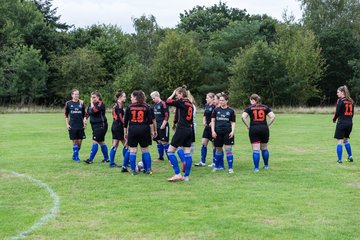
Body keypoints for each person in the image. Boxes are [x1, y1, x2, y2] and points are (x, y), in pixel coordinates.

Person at [123, 90, 156, 174]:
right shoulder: (147, 107)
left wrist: (125, 133)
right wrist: (152, 131)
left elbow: (125, 122)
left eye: (131, 97)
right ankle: (148, 169)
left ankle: (133, 170)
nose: (130, 98)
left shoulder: (129, 107)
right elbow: (150, 122)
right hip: (144, 129)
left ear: (136, 97)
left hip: (133, 130)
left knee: (133, 150)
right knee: (145, 150)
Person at [166, 86, 194, 182]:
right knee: (187, 152)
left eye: (177, 95)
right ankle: (186, 176)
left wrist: (173, 93)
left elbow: (168, 101)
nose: (176, 97)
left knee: (170, 151)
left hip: (181, 129)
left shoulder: (181, 102)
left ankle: (177, 174)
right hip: (189, 130)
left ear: (181, 94)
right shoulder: (190, 103)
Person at [241, 94, 275, 172]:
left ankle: (256, 168)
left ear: (253, 100)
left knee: (256, 149)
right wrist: (267, 125)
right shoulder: (265, 107)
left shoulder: (249, 108)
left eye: (250, 100)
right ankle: (266, 165)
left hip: (254, 128)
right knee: (264, 148)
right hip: (264, 128)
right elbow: (273, 116)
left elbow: (243, 117)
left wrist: (248, 126)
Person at [211, 93, 236, 173]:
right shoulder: (216, 110)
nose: (221, 102)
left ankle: (230, 168)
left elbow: (233, 122)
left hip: (227, 133)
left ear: (226, 101)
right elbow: (213, 121)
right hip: (217, 132)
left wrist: (232, 131)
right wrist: (213, 131)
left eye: (222, 100)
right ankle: (217, 166)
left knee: (228, 150)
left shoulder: (231, 111)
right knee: (218, 150)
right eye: (220, 100)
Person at [84, 91, 109, 164]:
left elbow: (94, 110)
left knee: (95, 141)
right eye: (92, 97)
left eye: (94, 97)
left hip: (101, 125)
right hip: (95, 126)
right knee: (101, 142)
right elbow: (88, 112)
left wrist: (91, 103)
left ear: (98, 97)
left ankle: (90, 159)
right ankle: (106, 158)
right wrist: (85, 119)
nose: (93, 99)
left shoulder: (100, 104)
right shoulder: (91, 104)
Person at [333, 85, 354, 163]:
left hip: (342, 123)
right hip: (350, 123)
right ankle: (350, 156)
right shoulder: (351, 101)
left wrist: (334, 119)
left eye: (338, 92)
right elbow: (352, 114)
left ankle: (339, 160)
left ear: (342, 92)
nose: (337, 94)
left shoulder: (340, 101)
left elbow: (337, 112)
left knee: (340, 141)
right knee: (345, 140)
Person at [64, 89, 87, 162]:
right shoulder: (68, 103)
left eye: (78, 94)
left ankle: (74, 154)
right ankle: (77, 157)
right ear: (72, 95)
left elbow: (85, 114)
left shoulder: (81, 103)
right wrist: (67, 124)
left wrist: (85, 121)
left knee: (79, 143)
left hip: (80, 125)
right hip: (72, 125)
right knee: (74, 141)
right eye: (75, 94)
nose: (77, 95)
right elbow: (66, 115)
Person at [195, 92, 216, 167]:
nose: (206, 99)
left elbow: (216, 116)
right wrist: (204, 121)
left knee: (214, 145)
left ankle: (214, 162)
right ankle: (202, 161)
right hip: (207, 128)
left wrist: (211, 123)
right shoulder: (206, 105)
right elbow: (204, 115)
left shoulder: (214, 106)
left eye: (207, 98)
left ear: (212, 98)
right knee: (203, 143)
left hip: (213, 128)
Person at [109, 90, 127, 168]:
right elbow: (120, 118)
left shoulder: (115, 105)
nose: (125, 98)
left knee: (115, 144)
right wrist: (126, 125)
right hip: (119, 126)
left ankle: (112, 163)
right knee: (126, 144)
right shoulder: (119, 106)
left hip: (114, 125)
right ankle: (127, 162)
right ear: (120, 97)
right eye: (124, 96)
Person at [150, 91, 170, 162]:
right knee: (158, 141)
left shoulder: (163, 104)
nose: (153, 100)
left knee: (164, 141)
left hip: (163, 126)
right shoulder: (154, 106)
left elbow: (167, 116)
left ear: (157, 96)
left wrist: (163, 124)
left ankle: (170, 158)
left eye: (153, 98)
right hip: (157, 126)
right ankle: (160, 157)